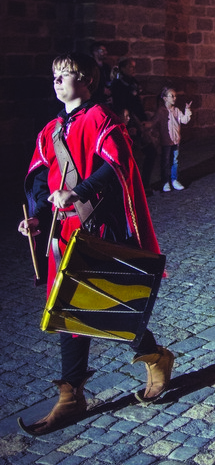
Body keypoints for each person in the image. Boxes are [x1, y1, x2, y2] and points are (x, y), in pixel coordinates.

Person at [17, 52, 173, 435]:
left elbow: (116, 165)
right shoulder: (50, 130)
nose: (57, 81)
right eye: (54, 75)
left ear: (86, 80)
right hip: (63, 233)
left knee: (107, 304)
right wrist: (36, 217)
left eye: (65, 75)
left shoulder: (100, 117)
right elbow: (41, 182)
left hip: (96, 226)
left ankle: (154, 356)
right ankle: (71, 395)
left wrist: (79, 192)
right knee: (68, 312)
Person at [111, 56, 156, 188]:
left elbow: (137, 104)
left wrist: (143, 120)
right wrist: (128, 124)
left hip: (138, 122)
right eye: (130, 67)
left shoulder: (133, 83)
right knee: (129, 157)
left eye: (134, 67)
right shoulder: (117, 84)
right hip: (127, 124)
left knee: (151, 152)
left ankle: (144, 184)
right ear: (123, 68)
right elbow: (121, 106)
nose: (133, 69)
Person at [153, 86, 193, 191]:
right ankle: (165, 181)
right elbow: (154, 123)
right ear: (165, 98)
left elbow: (184, 120)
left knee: (174, 161)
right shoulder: (161, 111)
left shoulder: (176, 110)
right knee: (165, 161)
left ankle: (174, 180)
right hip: (166, 141)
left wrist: (187, 110)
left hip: (175, 140)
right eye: (172, 96)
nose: (174, 98)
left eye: (175, 96)